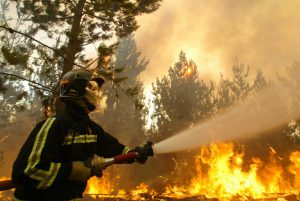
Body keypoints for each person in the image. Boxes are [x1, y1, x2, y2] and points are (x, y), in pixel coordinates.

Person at [12, 69, 152, 201]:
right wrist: (72, 171)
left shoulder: (89, 128)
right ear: (76, 91)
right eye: (92, 88)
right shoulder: (55, 126)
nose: (97, 93)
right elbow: (26, 172)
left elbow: (112, 147)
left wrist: (135, 153)